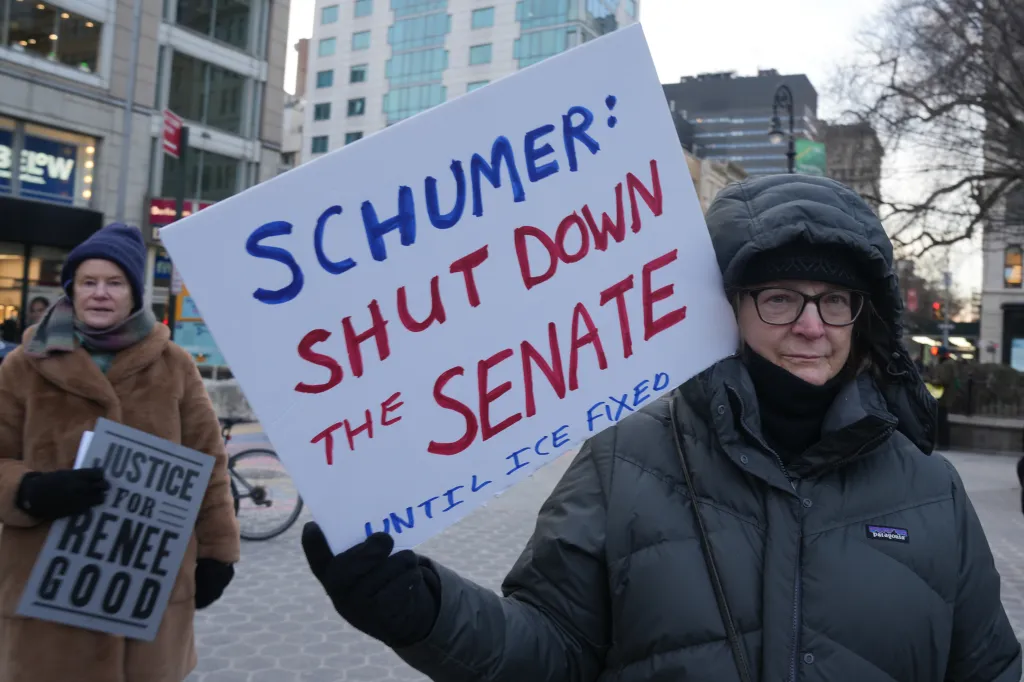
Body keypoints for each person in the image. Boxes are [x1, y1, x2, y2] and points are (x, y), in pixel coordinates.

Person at [301, 175, 1022, 682]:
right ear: (724, 306)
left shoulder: (932, 492)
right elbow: (549, 652)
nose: (811, 325)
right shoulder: (626, 459)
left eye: (836, 300)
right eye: (779, 297)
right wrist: (420, 610)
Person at [0, 223, 241, 682]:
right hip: (45, 592)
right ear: (72, 289)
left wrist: (217, 553)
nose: (100, 294)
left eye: (114, 283)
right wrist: (30, 490)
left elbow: (209, 463)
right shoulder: (23, 365)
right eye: (88, 282)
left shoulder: (175, 365)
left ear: (134, 293)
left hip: (148, 591)